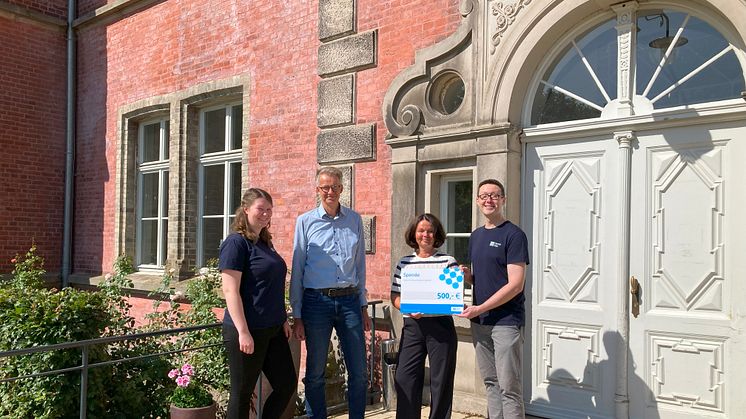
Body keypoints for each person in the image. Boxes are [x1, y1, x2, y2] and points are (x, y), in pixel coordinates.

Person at [289, 166, 371, 419]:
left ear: (342, 189)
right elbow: (298, 269)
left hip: (349, 301)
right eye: (325, 187)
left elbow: (359, 266)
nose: (330, 191)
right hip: (316, 303)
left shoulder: (354, 220)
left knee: (358, 371)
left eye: (335, 186)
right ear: (317, 190)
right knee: (315, 372)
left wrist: (363, 305)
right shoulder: (305, 222)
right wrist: (298, 314)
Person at [219, 188, 297, 419]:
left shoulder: (264, 242)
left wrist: (282, 318)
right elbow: (230, 290)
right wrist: (243, 331)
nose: (265, 214)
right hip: (248, 329)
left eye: (269, 210)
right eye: (260, 209)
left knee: (286, 384)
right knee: (242, 394)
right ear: (245, 209)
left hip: (273, 328)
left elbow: (270, 286)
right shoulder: (236, 243)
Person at [457, 179, 530, 419]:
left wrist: (480, 308)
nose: (489, 200)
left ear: (503, 200)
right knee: (491, 382)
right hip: (481, 322)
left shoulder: (514, 235)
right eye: (484, 196)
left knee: (509, 387)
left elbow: (515, 285)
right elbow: (488, 279)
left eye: (494, 195)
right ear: (477, 201)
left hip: (506, 321)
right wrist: (469, 277)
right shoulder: (476, 236)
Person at [390, 213, 458, 419]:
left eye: (430, 231)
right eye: (421, 230)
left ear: (436, 234)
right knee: (405, 377)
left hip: (441, 326)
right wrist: (406, 308)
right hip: (413, 327)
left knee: (441, 381)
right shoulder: (405, 262)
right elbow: (395, 295)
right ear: (414, 233)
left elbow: (453, 296)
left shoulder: (448, 261)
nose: (425, 235)